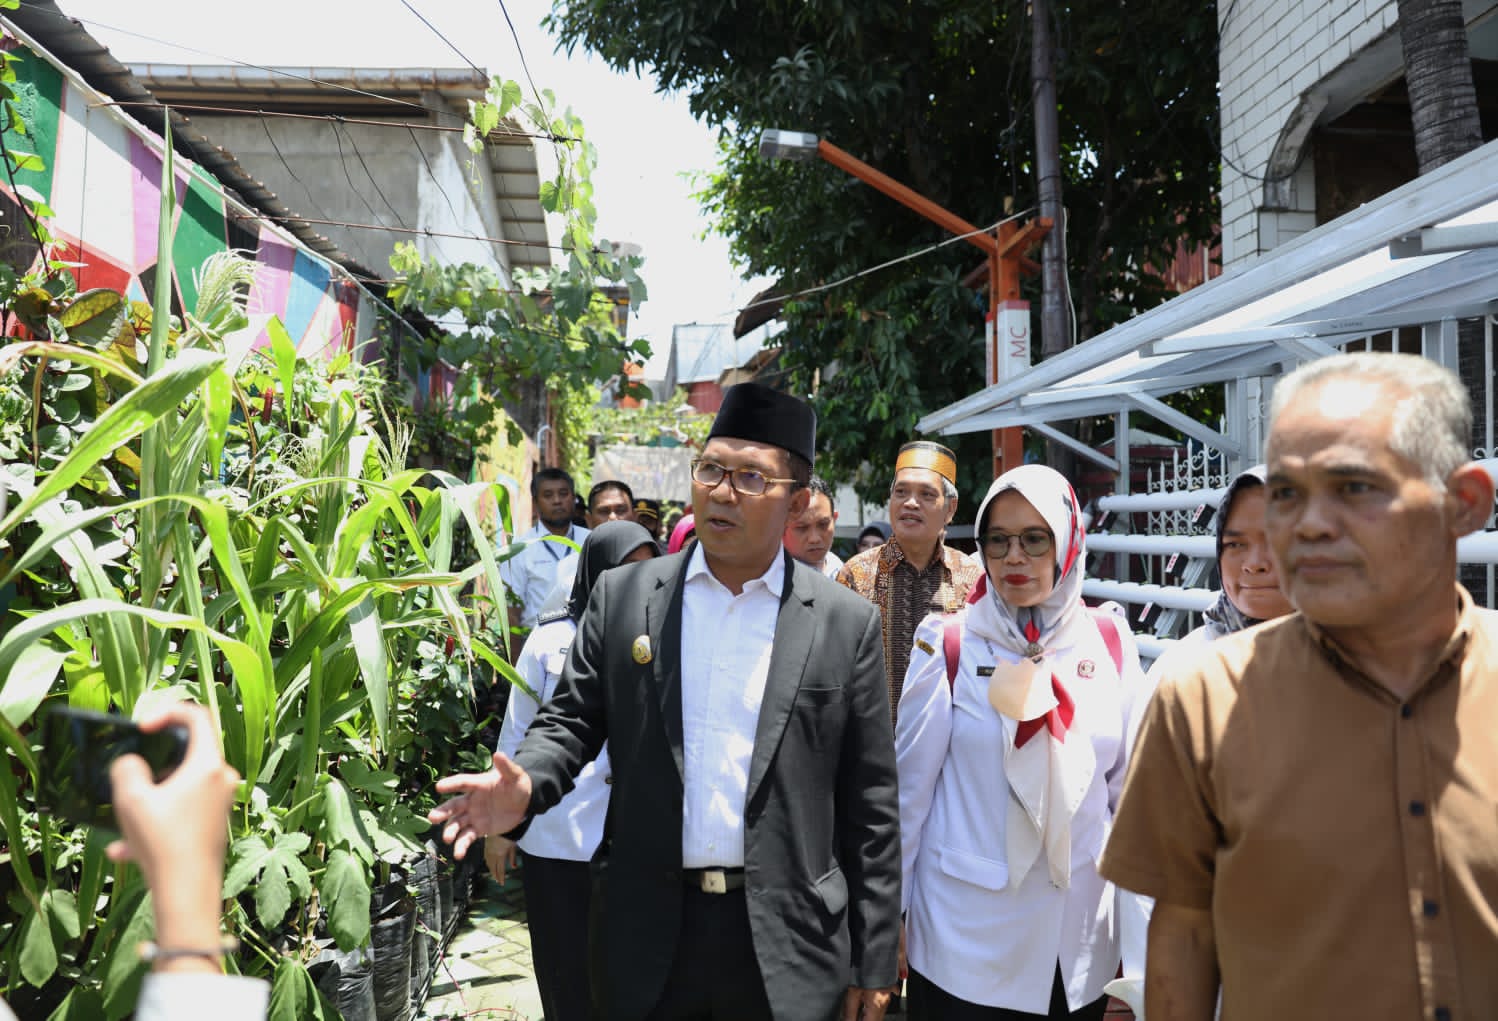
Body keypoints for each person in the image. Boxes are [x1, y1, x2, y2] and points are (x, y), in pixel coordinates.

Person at [429, 381, 902, 1021]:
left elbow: (871, 803)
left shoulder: (844, 623)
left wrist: (874, 956)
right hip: (648, 932)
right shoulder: (626, 597)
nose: (722, 491)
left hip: (791, 941)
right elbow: (570, 721)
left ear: (795, 501)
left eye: (751, 478)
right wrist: (526, 786)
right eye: (711, 469)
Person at [1100, 351, 1498, 1021]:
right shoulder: (1198, 694)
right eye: (1287, 493)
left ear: (1463, 504)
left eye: (1355, 486)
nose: (1306, 526)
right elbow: (1178, 934)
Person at [896, 465, 1145, 1021]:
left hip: (1079, 947)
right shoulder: (950, 644)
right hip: (966, 943)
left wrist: (1138, 937)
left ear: (1068, 542)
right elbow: (908, 798)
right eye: (998, 540)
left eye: (1035, 539)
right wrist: (890, 918)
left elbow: (1130, 799)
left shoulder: (1108, 640)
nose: (1014, 557)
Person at [1109, 464, 1296, 1011]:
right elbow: (1149, 854)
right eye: (1235, 544)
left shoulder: (1356, 672)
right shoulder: (1182, 673)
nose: (1254, 562)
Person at [487, 521, 661, 1021]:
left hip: (636, 839)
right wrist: (502, 827)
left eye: (648, 571)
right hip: (558, 834)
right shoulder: (549, 640)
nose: (636, 584)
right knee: (565, 971)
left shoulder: (667, 636)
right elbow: (517, 733)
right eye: (624, 571)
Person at [838, 442, 981, 726]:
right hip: (872, 740)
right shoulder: (855, 574)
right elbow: (836, 667)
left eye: (926, 494)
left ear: (950, 509)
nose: (911, 503)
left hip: (950, 742)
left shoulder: (971, 577)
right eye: (901, 492)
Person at [500, 468, 590, 630]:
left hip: (585, 638)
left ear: (573, 498)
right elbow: (511, 612)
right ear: (535, 503)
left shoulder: (591, 541)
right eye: (548, 495)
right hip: (536, 640)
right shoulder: (519, 549)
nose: (557, 501)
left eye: (563, 494)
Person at [536, 481, 639, 620]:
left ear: (634, 516)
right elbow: (551, 624)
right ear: (589, 520)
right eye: (604, 511)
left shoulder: (652, 563)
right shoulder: (568, 569)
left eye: (621, 510)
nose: (613, 517)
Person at [785, 475, 843, 578]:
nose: (814, 539)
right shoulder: (771, 579)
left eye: (823, 524)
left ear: (834, 519)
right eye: (802, 528)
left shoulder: (841, 568)